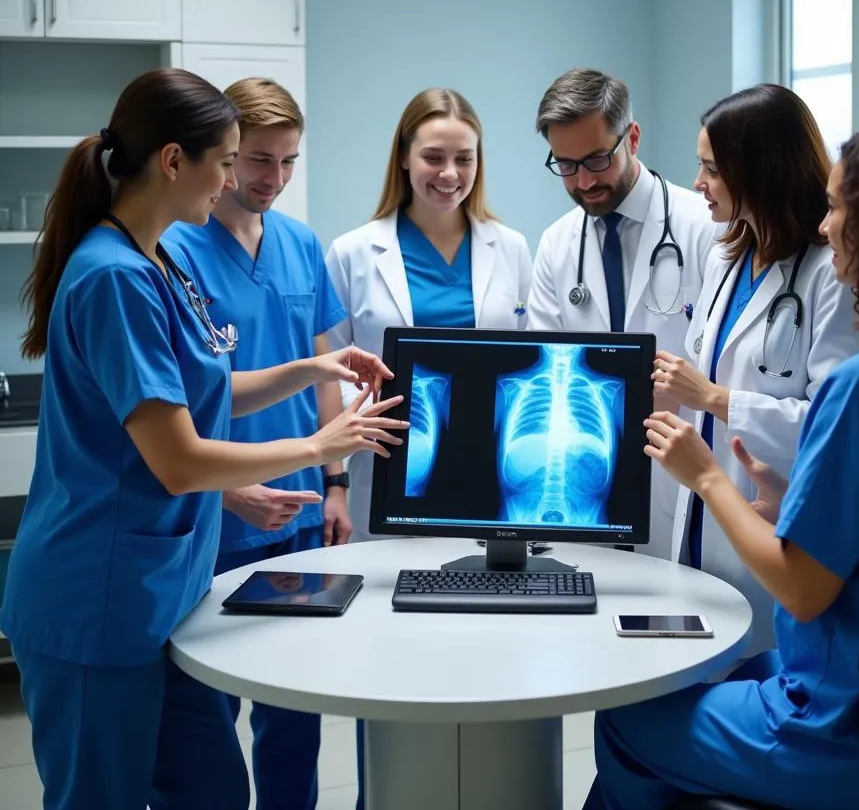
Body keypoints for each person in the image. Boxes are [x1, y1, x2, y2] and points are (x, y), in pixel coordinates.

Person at [0, 69, 408, 810]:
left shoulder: (154, 261)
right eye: (228, 160)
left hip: (163, 593)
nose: (231, 182)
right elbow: (180, 458)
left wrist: (312, 367)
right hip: (99, 597)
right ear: (172, 161)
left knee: (213, 788)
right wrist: (322, 449)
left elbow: (208, 389)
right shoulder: (114, 276)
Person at [585, 120, 859, 810]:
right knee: (738, 671)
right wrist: (789, 509)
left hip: (849, 742)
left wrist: (705, 476)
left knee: (627, 719)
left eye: (840, 208)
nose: (825, 228)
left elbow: (802, 589)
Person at [163, 77, 347, 810]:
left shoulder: (301, 244)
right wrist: (225, 492)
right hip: (215, 517)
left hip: (301, 515)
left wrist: (334, 485)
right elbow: (166, 407)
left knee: (296, 709)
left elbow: (324, 367)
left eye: (288, 162)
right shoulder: (172, 248)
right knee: (209, 714)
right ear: (226, 153)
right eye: (258, 161)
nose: (272, 179)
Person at [653, 84, 859, 654]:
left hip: (771, 519)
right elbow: (713, 361)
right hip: (702, 512)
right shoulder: (729, 253)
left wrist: (718, 399)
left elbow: (832, 423)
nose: (699, 184)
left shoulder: (829, 276)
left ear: (761, 171)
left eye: (712, 170)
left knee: (747, 665)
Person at [324, 87, 533, 545]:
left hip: (487, 461)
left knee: (479, 596)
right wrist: (339, 470)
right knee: (385, 598)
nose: (449, 173)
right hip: (386, 457)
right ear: (403, 157)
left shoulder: (511, 248)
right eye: (433, 157)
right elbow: (331, 371)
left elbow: (525, 355)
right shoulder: (353, 253)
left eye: (464, 159)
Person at [527, 67, 716, 559]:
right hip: (588, 478)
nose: (584, 181)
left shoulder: (704, 229)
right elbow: (548, 365)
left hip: (680, 475)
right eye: (565, 165)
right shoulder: (557, 242)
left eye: (596, 159)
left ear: (631, 136)